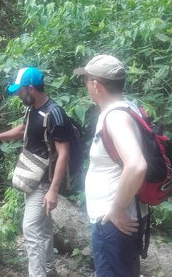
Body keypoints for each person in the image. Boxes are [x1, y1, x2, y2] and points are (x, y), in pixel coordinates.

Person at [0, 67, 73, 277]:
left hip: (43, 183)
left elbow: (64, 153)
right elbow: (24, 129)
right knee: (44, 228)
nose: (18, 95)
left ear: (31, 88)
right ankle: (49, 270)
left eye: (20, 91)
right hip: (31, 178)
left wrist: (53, 190)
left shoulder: (55, 113)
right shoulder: (33, 108)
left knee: (31, 230)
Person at [73, 54, 148, 277]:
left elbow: (136, 165)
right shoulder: (128, 108)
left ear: (96, 85)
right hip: (123, 219)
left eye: (86, 80)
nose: (86, 86)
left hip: (115, 222)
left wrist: (115, 208)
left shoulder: (115, 117)